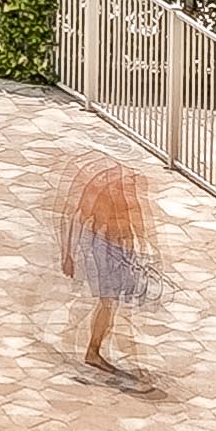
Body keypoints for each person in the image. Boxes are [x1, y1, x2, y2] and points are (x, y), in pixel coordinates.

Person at [58, 155, 162, 381]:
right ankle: (93, 351)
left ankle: (95, 347)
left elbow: (136, 218)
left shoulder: (125, 185)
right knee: (108, 302)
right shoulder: (101, 191)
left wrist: (144, 246)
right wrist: (68, 255)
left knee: (111, 303)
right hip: (104, 247)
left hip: (118, 248)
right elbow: (76, 217)